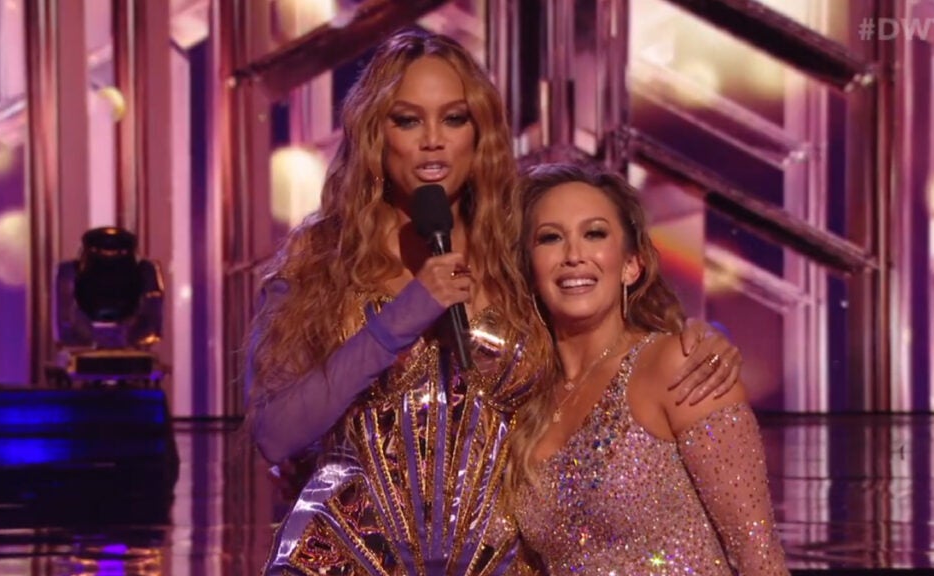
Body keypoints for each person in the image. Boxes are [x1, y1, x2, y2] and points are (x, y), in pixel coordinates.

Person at [245, 29, 742, 576]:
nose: (433, 141)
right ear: (373, 134)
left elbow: (614, 331)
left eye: (454, 119)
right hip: (342, 562)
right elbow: (275, 434)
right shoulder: (321, 261)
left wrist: (695, 342)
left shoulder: (516, 248)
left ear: (479, 132)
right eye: (407, 120)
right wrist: (398, 321)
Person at [503, 162, 788, 575]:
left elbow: (759, 558)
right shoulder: (525, 401)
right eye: (550, 238)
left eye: (594, 234)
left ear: (631, 265)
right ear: (530, 269)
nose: (573, 256)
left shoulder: (680, 365)